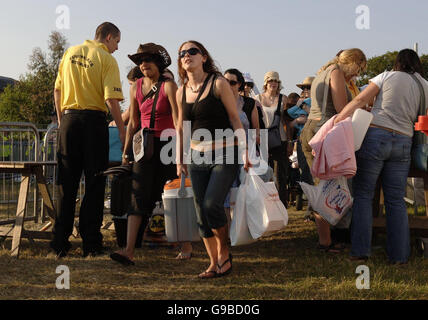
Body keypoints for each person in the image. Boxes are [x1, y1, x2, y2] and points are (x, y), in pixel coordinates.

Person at [334, 49, 428, 264]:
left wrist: (339, 119)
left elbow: (359, 101)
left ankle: (360, 252)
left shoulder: (386, 76)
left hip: (376, 135)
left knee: (364, 195)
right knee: (396, 200)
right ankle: (399, 256)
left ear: (397, 62)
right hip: (404, 141)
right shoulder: (425, 85)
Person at [51, 22, 126, 258]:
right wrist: (122, 130)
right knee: (94, 183)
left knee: (66, 183)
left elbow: (57, 90)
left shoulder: (70, 52)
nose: (116, 48)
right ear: (108, 37)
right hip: (93, 122)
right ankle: (91, 244)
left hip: (69, 120)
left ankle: (59, 243)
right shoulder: (106, 59)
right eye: (117, 42)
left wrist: (62, 120)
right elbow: (112, 100)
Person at [176, 40, 249, 278]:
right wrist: (180, 159)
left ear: (204, 57)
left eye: (192, 51)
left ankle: (224, 253)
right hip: (196, 156)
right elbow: (181, 129)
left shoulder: (218, 83)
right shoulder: (181, 91)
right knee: (200, 212)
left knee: (211, 204)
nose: (187, 55)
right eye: (182, 53)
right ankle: (213, 262)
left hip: (225, 153)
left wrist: (246, 150)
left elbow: (235, 119)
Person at [109, 43, 179, 266]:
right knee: (137, 194)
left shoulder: (169, 86)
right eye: (140, 60)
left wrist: (181, 152)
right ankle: (128, 250)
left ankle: (185, 244)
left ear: (157, 63)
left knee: (171, 194)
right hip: (144, 146)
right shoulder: (135, 86)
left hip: (168, 144)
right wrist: (126, 151)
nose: (144, 64)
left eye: (148, 59)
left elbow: (178, 122)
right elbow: (133, 123)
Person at [300, 48, 367, 253]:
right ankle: (331, 241)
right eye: (358, 68)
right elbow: (341, 108)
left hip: (313, 130)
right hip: (324, 133)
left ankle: (326, 239)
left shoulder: (325, 71)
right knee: (330, 186)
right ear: (352, 62)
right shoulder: (336, 72)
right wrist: (361, 108)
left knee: (323, 185)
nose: (357, 74)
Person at [255, 71, 289, 207]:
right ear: (265, 83)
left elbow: (286, 121)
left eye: (276, 81)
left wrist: (290, 142)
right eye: (270, 81)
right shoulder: (257, 98)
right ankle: (266, 204)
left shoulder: (283, 98)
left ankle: (281, 205)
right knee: (263, 172)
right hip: (262, 139)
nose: (273, 83)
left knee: (281, 174)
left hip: (280, 138)